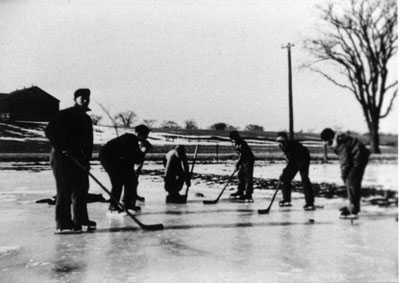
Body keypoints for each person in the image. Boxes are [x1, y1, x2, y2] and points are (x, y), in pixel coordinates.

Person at [45, 88, 96, 234]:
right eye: (82, 98)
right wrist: (62, 147)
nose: (85, 100)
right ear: (75, 99)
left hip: (78, 158)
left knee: (81, 188)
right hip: (62, 157)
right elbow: (49, 130)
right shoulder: (65, 114)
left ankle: (80, 219)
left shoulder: (86, 118)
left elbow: (88, 143)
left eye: (87, 98)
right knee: (64, 189)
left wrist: (86, 160)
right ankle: (64, 223)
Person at [99, 125, 152, 213]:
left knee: (131, 179)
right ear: (139, 134)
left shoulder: (133, 140)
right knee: (118, 182)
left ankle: (128, 204)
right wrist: (144, 150)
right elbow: (135, 158)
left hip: (119, 160)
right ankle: (113, 205)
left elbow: (133, 160)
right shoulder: (130, 139)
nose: (146, 137)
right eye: (145, 135)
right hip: (109, 159)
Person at [320, 128, 370, 219]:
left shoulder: (340, 142)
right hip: (358, 157)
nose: (325, 144)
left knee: (351, 181)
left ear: (330, 138)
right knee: (352, 181)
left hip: (359, 158)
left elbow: (345, 162)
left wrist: (344, 175)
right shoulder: (339, 140)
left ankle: (353, 210)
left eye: (325, 141)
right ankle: (354, 206)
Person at [276, 132, 315, 210]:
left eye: (282, 141)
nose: (281, 143)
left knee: (304, 179)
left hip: (303, 159)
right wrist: (285, 172)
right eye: (279, 141)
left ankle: (309, 202)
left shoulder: (291, 145)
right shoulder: (283, 146)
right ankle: (286, 199)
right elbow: (290, 160)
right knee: (286, 178)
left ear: (285, 139)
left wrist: (285, 171)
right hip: (295, 160)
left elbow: (292, 160)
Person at [229, 131, 255, 202]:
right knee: (240, 175)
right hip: (243, 160)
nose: (233, 140)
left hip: (248, 160)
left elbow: (243, 154)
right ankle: (240, 191)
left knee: (248, 177)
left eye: (233, 138)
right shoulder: (236, 143)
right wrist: (239, 163)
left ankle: (248, 194)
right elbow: (240, 155)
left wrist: (238, 163)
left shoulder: (242, 143)